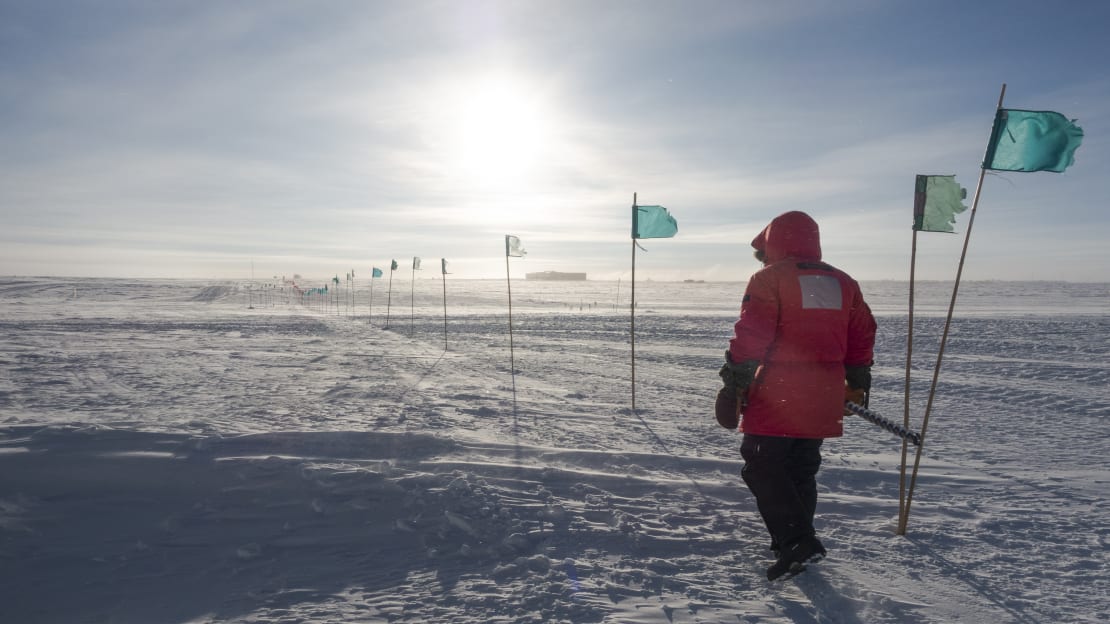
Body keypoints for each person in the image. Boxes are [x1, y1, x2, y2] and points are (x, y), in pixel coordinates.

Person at [715, 210, 876, 581]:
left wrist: (733, 383)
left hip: (778, 390)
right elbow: (863, 334)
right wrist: (857, 379)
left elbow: (752, 334)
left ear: (773, 243)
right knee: (800, 466)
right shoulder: (844, 282)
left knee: (763, 464)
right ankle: (791, 539)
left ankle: (798, 541)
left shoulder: (770, 278)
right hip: (823, 389)